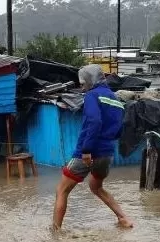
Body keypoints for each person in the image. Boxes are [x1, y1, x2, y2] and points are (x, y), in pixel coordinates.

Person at [52, 64, 134, 231]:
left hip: (89, 152)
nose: (82, 86)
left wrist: (87, 149)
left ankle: (55, 232)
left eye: (83, 82)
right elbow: (119, 129)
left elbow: (95, 121)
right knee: (96, 187)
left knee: (61, 190)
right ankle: (123, 218)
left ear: (90, 80)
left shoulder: (92, 96)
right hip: (107, 154)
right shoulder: (116, 100)